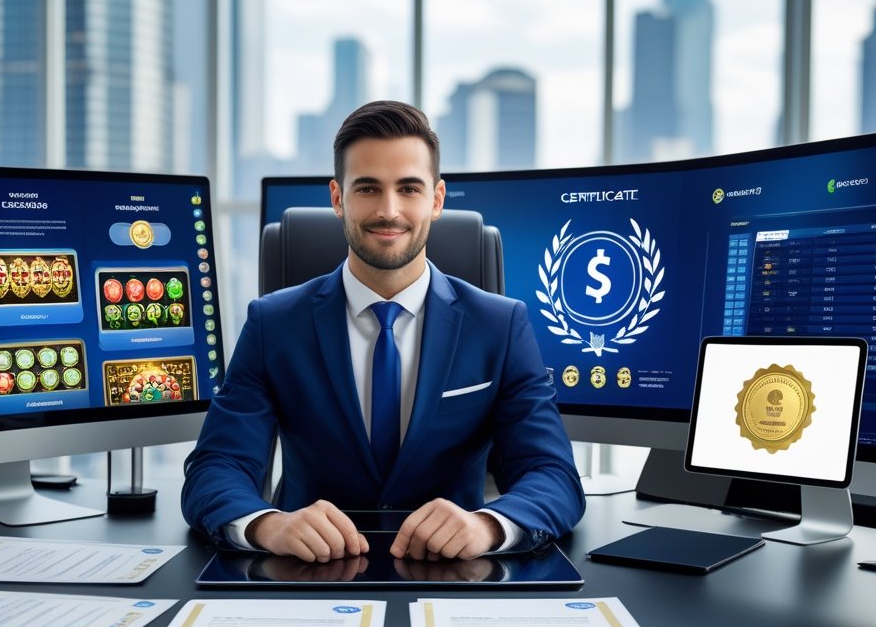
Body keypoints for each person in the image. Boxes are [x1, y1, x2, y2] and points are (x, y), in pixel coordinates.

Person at [181, 100, 584, 563]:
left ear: (436, 200)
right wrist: (268, 525)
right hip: (308, 574)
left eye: (409, 188)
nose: (388, 211)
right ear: (338, 198)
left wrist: (488, 525)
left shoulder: (501, 324)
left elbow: (552, 474)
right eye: (368, 188)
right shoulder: (273, 323)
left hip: (455, 574)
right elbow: (217, 467)